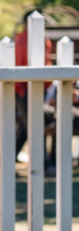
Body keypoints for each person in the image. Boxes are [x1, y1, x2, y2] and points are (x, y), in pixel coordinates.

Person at [13, 11, 53, 160]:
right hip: (23, 91)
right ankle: (43, 161)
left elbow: (46, 63)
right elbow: (17, 67)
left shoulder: (44, 41)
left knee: (25, 127)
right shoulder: (20, 41)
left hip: (39, 89)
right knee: (34, 125)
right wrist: (20, 91)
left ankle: (6, 160)